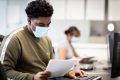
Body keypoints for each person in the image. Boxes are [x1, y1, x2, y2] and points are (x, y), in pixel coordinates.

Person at [0, 0, 86, 80]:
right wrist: (33, 78)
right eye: (40, 24)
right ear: (29, 20)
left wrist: (68, 72)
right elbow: (4, 72)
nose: (45, 28)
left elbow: (53, 68)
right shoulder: (14, 39)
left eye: (48, 24)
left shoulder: (47, 40)